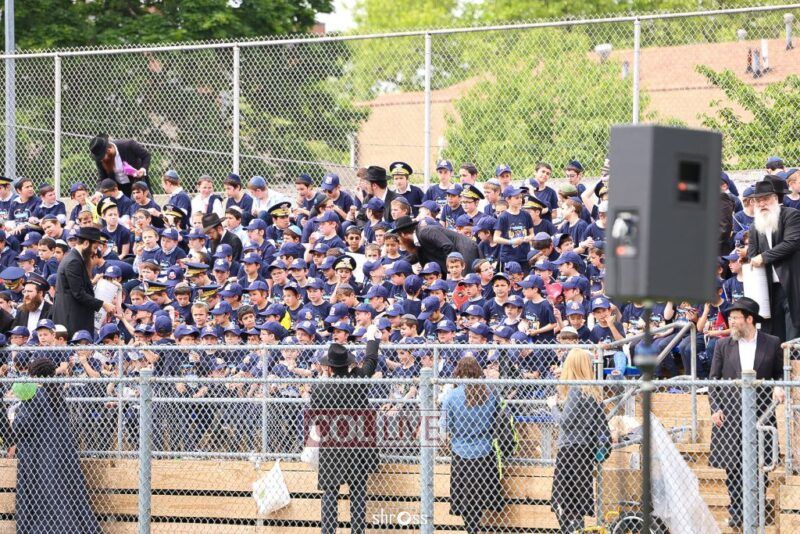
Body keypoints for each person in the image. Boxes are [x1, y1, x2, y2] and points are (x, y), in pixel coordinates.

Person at [708, 297, 783, 528]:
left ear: (749, 319)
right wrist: (715, 408)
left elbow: (779, 373)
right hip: (729, 415)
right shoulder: (723, 345)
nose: (731, 322)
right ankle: (737, 511)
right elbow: (713, 380)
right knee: (733, 467)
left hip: (761, 415)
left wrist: (779, 386)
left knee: (760, 467)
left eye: (735, 318)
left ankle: (756, 509)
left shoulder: (772, 342)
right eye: (730, 318)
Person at [14, 357, 101, 533]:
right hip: (61, 455)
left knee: (46, 498)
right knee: (64, 496)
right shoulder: (56, 393)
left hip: (39, 458)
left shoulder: (35, 396)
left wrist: (13, 418)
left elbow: (22, 425)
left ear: (34, 375)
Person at [310, 323, 382, 534]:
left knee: (330, 492)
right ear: (348, 364)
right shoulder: (357, 380)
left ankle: (328, 531)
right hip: (357, 444)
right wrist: (372, 338)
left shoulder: (321, 388)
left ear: (329, 367)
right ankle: (357, 531)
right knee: (358, 491)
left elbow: (316, 417)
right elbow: (371, 361)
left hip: (332, 446)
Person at [439, 355, 505, 534]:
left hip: (461, 453)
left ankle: (472, 528)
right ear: (478, 371)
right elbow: (497, 419)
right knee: (479, 497)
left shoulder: (452, 396)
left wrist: (451, 438)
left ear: (459, 372)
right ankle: (474, 527)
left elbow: (444, 429)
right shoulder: (490, 393)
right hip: (485, 452)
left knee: (466, 499)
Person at [548, 348, 611, 534]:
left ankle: (571, 531)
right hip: (584, 450)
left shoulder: (576, 390)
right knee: (575, 500)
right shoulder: (592, 391)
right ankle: (576, 530)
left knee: (562, 499)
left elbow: (565, 422)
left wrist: (553, 407)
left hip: (570, 449)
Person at [747, 176, 800, 342]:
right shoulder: (755, 226)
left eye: (766, 199)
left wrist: (763, 257)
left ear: (775, 198)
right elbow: (752, 255)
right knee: (775, 337)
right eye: (758, 201)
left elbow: (791, 243)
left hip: (792, 285)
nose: (762, 204)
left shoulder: (791, 215)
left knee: (793, 336)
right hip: (770, 290)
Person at [52, 227, 115, 337]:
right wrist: (103, 304)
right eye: (94, 247)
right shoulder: (74, 261)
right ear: (86, 243)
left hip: (72, 318)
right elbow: (78, 293)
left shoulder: (75, 258)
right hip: (73, 321)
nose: (95, 252)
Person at [390, 215, 479, 274]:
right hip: (461, 253)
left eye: (398, 236)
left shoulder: (425, 232)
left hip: (465, 250)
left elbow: (448, 245)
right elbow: (416, 256)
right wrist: (395, 265)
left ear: (403, 234)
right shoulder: (419, 239)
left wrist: (450, 268)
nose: (399, 240)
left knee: (465, 282)